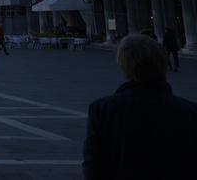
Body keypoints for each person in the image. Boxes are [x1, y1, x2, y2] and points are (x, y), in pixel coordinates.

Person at [82, 34, 197, 179]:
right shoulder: (191, 111)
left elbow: (94, 169)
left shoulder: (102, 110)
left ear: (123, 65)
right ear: (162, 63)